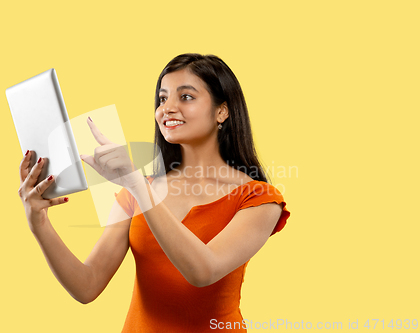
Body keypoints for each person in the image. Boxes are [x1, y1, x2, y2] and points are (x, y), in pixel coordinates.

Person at [18, 53, 291, 332]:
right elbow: (86, 286)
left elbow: (203, 271)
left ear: (222, 111)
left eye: (185, 97)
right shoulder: (136, 190)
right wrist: (38, 222)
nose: (167, 109)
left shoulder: (258, 198)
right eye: (162, 99)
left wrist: (138, 186)